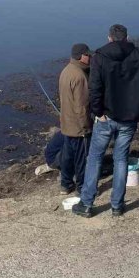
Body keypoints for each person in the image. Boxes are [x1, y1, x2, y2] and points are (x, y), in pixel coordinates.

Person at [73, 24, 139, 218]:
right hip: (129, 116)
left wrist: (97, 111)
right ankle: (117, 205)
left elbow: (95, 87)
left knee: (95, 158)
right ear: (126, 37)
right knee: (121, 159)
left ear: (109, 38)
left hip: (106, 117)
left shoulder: (100, 56)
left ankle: (87, 203)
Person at [57, 43, 93, 194]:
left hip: (66, 124)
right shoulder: (79, 76)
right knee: (82, 158)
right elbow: (81, 106)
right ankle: (82, 187)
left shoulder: (66, 71)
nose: (90, 57)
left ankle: (66, 184)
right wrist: (86, 127)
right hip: (79, 127)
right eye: (88, 55)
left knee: (67, 156)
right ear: (81, 56)